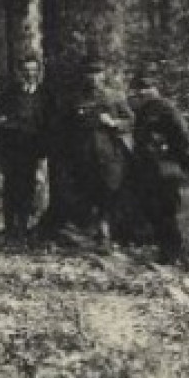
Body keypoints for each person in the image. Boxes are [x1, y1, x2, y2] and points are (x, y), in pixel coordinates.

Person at [38, 60, 133, 246]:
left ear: (104, 75)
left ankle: (107, 231)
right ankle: (90, 232)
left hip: (109, 156)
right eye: (89, 74)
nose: (93, 78)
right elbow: (64, 127)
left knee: (110, 191)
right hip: (82, 156)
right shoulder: (76, 99)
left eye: (97, 73)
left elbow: (131, 120)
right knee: (87, 192)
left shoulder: (114, 97)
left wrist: (114, 123)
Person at [128, 72, 189, 263]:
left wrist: (176, 158)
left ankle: (173, 253)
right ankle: (164, 251)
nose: (142, 93)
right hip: (148, 169)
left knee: (166, 211)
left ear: (154, 89)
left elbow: (182, 137)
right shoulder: (143, 110)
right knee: (154, 210)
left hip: (166, 168)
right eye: (139, 89)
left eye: (146, 89)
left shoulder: (166, 108)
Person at [0, 56, 44, 238]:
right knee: (11, 186)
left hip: (33, 148)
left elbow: (49, 122)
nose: (30, 74)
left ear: (38, 72)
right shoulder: (12, 93)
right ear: (21, 72)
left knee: (28, 187)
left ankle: (23, 226)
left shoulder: (43, 94)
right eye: (27, 70)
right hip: (12, 147)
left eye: (33, 70)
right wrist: (3, 120)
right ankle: (9, 227)